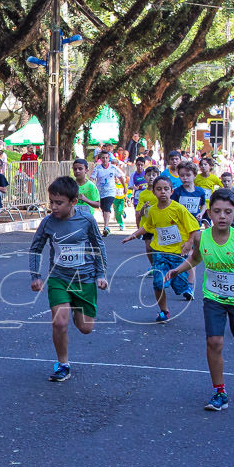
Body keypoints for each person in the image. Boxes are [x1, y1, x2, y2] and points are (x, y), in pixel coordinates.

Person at [165, 189, 234, 411]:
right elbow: (196, 257)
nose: (222, 216)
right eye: (217, 211)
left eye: (228, 212)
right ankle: (219, 392)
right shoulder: (201, 236)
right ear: (209, 212)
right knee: (214, 342)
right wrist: (178, 270)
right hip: (213, 298)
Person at [29, 176, 108, 382]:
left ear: (73, 202)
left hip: (85, 279)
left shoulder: (86, 220)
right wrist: (36, 275)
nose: (53, 207)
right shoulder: (47, 222)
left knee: (85, 328)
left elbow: (99, 247)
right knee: (59, 323)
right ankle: (63, 364)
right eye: (51, 202)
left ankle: (74, 308)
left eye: (59, 203)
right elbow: (35, 249)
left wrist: (101, 274)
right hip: (59, 278)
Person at [122, 175, 199, 322]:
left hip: (177, 254)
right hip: (160, 253)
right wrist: (133, 235)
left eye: (166, 189)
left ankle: (187, 286)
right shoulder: (152, 211)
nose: (162, 192)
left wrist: (189, 243)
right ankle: (164, 311)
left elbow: (194, 228)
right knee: (158, 282)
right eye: (159, 189)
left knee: (179, 286)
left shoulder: (179, 209)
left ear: (171, 191)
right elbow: (148, 226)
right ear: (154, 192)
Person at [90, 151, 126, 236]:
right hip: (100, 192)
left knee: (107, 207)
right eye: (103, 158)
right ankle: (106, 224)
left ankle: (106, 227)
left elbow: (120, 177)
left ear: (108, 158)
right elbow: (92, 179)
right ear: (100, 159)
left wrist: (124, 187)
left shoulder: (113, 168)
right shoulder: (97, 168)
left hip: (110, 191)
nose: (105, 159)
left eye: (106, 158)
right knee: (103, 209)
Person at [134, 166, 161, 270]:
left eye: (154, 175)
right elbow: (139, 213)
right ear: (145, 177)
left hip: (159, 224)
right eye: (149, 175)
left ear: (158, 176)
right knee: (149, 248)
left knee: (159, 248)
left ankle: (159, 266)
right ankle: (153, 266)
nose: (151, 177)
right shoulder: (143, 194)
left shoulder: (161, 191)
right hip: (147, 225)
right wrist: (143, 208)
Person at [172, 161, 209, 227]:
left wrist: (201, 213)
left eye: (188, 175)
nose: (185, 178)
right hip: (181, 226)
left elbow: (203, 204)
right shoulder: (177, 192)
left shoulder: (200, 191)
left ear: (194, 175)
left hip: (195, 224)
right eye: (182, 175)